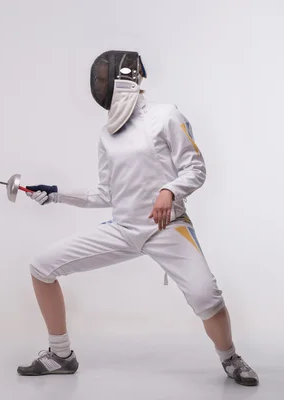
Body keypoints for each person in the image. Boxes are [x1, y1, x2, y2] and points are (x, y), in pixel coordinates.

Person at [16, 50, 259, 386]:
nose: (100, 87)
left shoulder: (166, 116)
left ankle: (230, 357)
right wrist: (55, 193)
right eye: (98, 80)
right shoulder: (107, 134)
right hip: (123, 228)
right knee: (41, 267)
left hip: (167, 228)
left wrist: (169, 191)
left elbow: (196, 167)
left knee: (206, 297)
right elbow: (106, 194)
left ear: (126, 79)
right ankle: (61, 355)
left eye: (104, 79)